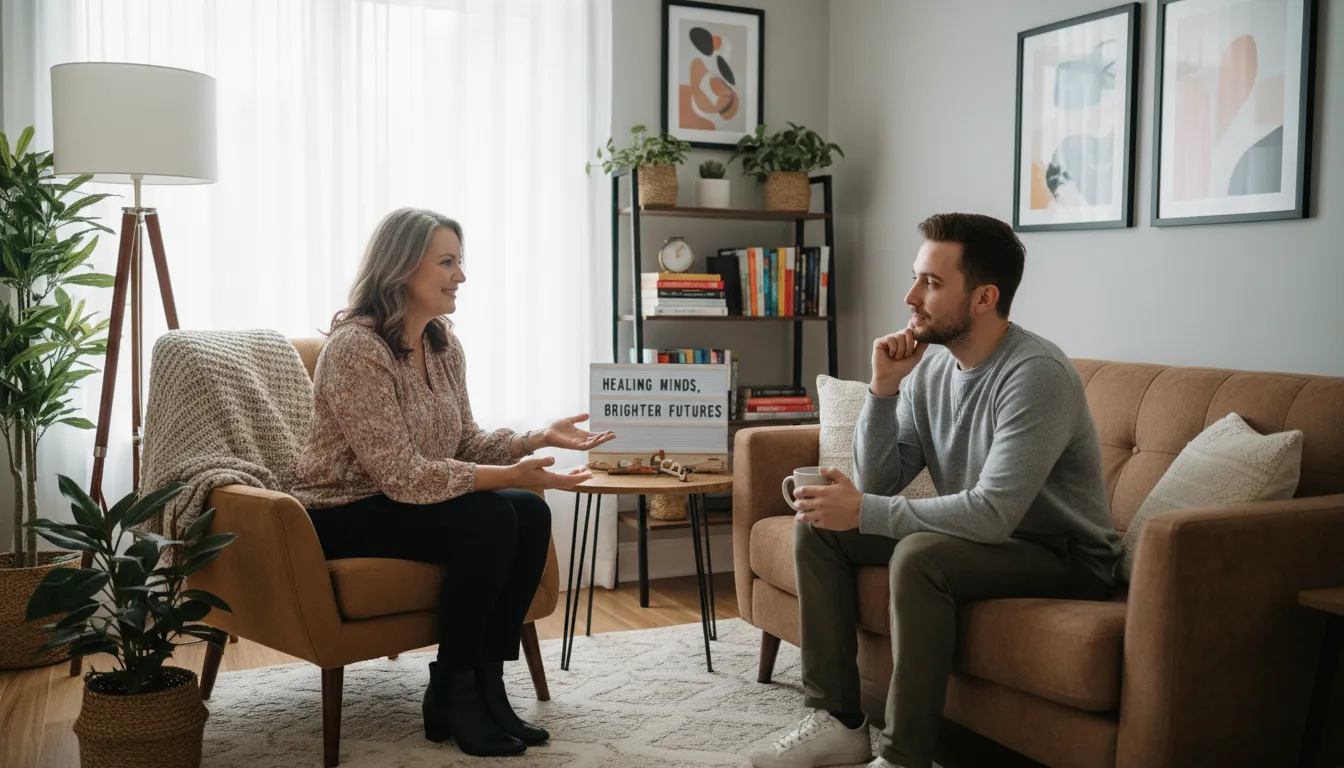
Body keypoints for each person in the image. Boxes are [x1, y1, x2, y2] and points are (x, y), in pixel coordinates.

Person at [748, 213, 1122, 768]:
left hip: (1064, 554)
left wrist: (865, 510)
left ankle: (904, 757)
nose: (910, 296)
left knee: (921, 557)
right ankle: (839, 722)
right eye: (915, 278)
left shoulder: (1035, 375)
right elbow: (879, 481)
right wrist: (882, 389)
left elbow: (993, 514)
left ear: (984, 297)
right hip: (990, 538)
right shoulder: (932, 370)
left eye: (931, 283)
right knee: (821, 526)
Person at [292, 207, 615, 758]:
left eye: (459, 262)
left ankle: (487, 683)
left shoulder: (442, 345)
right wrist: (509, 476)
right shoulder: (355, 349)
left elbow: (464, 441)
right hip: (341, 509)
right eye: (447, 262)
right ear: (401, 268)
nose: (460, 276)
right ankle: (453, 688)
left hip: (402, 500)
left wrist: (534, 440)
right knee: (489, 517)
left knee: (529, 510)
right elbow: (401, 474)